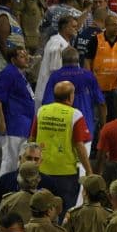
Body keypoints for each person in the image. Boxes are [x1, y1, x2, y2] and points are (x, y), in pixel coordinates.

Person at [30, 81, 93, 213]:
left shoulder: (42, 111)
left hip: (42, 170)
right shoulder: (75, 115)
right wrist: (88, 170)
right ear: (70, 96)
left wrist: (30, 163)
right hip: (66, 173)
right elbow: (79, 145)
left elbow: (32, 139)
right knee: (65, 210)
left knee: (42, 207)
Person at [42, 47, 106, 148]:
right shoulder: (89, 76)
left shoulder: (55, 76)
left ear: (62, 59)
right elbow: (101, 103)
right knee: (82, 162)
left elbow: (46, 104)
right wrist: (103, 126)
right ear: (78, 59)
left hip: (61, 129)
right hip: (85, 129)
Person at [0, 47, 36, 176]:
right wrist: (1, 120)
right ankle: (4, 191)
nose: (26, 58)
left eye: (26, 55)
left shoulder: (19, 74)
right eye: (22, 56)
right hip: (12, 124)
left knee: (17, 161)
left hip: (21, 124)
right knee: (9, 162)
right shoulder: (8, 73)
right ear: (13, 60)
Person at [34, 14, 78, 102]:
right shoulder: (57, 44)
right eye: (73, 26)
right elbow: (58, 72)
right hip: (50, 96)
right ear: (65, 28)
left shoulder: (63, 42)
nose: (76, 29)